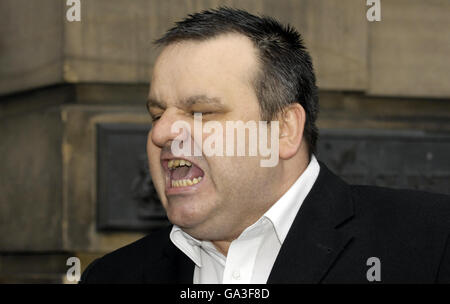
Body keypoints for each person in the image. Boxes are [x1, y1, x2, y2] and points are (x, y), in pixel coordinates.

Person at [80, 7, 450, 283]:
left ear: (283, 130)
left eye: (201, 112)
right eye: (157, 114)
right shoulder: (114, 276)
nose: (162, 134)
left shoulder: (431, 243)